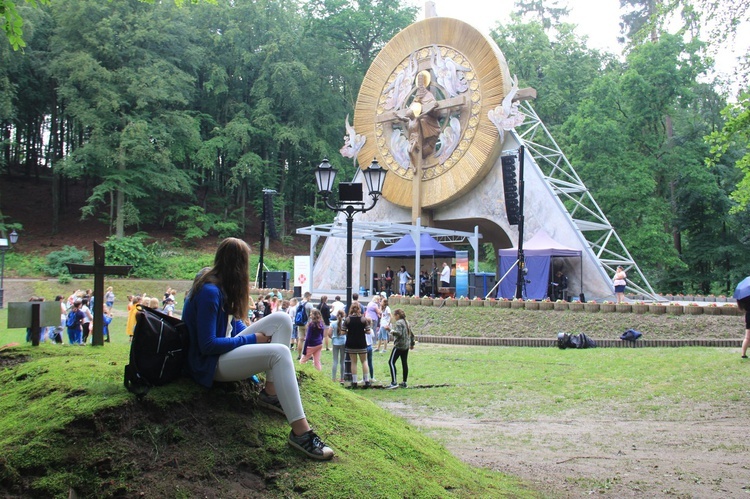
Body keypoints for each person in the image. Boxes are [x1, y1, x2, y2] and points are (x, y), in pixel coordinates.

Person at [181, 237, 334, 460]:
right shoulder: (210, 292)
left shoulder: (216, 281)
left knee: (282, 319)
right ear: (239, 266)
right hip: (209, 364)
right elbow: (207, 345)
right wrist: (253, 339)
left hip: (221, 354)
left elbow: (233, 323)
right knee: (280, 353)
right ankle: (301, 434)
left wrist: (254, 332)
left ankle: (270, 394)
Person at [386, 309, 415, 389]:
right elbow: (411, 334)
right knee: (404, 363)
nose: (394, 317)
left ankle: (394, 382)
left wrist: (390, 330)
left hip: (399, 346)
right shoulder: (406, 322)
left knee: (391, 362)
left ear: (397, 315)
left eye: (395, 315)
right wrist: (412, 343)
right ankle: (404, 382)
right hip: (406, 346)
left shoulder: (399, 323)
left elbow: (399, 333)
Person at [344, 301, 369, 389]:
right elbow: (368, 331)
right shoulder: (363, 319)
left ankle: (354, 381)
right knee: (364, 361)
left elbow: (343, 332)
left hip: (351, 343)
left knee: (353, 362)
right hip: (361, 342)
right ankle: (366, 380)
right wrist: (363, 331)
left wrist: (349, 331)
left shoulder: (348, 319)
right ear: (359, 309)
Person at [296, 292, 314, 361]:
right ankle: (308, 355)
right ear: (308, 296)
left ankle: (299, 355)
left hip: (300, 323)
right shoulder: (309, 304)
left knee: (300, 339)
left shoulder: (298, 303)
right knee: (308, 340)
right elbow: (312, 314)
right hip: (308, 324)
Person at [330, 310, 347, 382]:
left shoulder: (333, 323)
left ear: (336, 316)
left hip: (335, 342)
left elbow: (329, 333)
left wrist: (333, 337)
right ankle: (342, 378)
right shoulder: (344, 323)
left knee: (335, 361)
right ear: (344, 316)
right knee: (342, 361)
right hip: (343, 342)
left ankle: (333, 378)